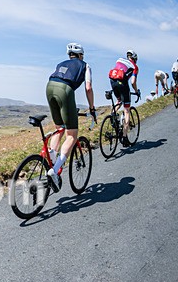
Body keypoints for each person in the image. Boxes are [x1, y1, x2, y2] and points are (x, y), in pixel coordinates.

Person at [45, 43, 96, 191]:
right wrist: (92, 108)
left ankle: (51, 156)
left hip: (49, 86)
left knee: (59, 128)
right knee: (72, 135)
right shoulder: (85, 65)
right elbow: (88, 88)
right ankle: (54, 171)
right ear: (81, 55)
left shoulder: (61, 63)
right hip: (65, 90)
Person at [108, 50, 139, 146]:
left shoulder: (119, 60)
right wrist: (136, 91)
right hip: (122, 83)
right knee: (127, 110)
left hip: (112, 81)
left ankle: (113, 114)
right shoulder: (135, 66)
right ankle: (125, 137)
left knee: (119, 100)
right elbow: (133, 82)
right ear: (135, 58)